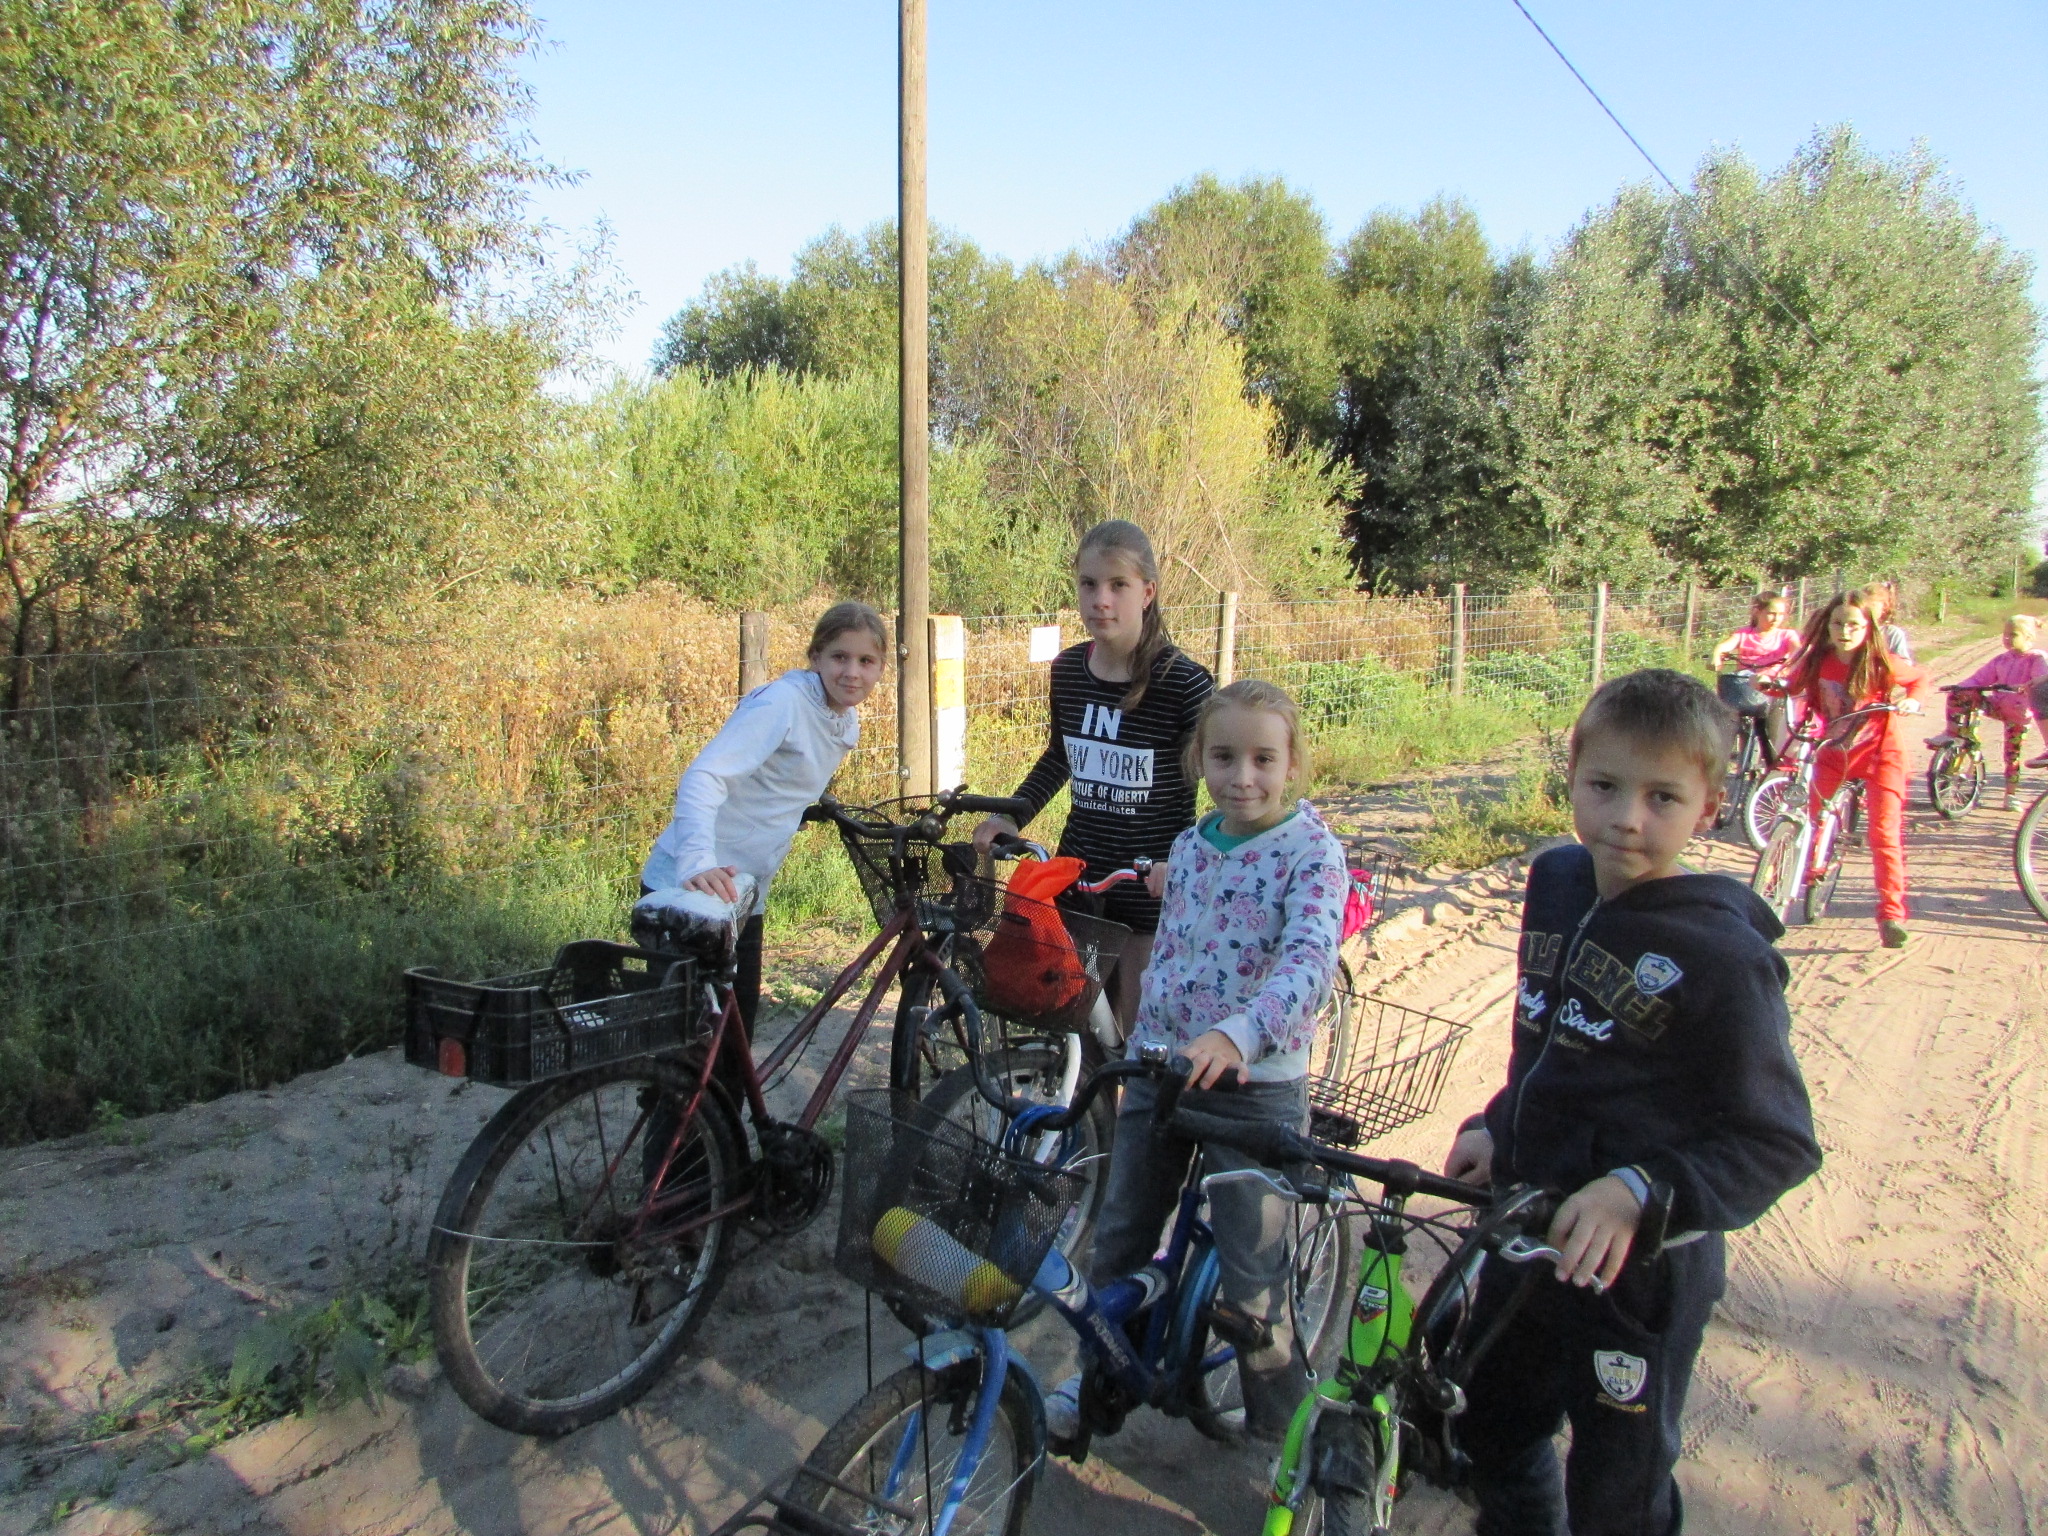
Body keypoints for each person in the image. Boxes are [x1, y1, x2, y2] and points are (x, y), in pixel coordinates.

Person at [1444, 668, 1822, 1536]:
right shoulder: (1557, 881)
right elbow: (1552, 1043)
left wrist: (1639, 1191)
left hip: (1637, 1275)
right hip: (1528, 1231)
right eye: (1605, 786)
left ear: (1711, 806)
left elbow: (1776, 1140)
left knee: (1618, 1489)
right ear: (1572, 773)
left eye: (1662, 798)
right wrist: (1498, 1124)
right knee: (1490, 1424)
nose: (1626, 819)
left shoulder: (1724, 958)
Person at [1042, 678, 1348, 1445]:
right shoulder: (1190, 844)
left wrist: (1240, 1035)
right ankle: (1100, 1375)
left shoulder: (1311, 853)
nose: (1242, 777)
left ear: (1292, 764)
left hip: (1253, 1087)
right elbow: (1179, 952)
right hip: (1164, 1072)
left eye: (1263, 759)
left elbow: (1309, 962)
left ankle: (1285, 1441)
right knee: (1119, 1239)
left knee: (1253, 1289)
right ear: (1199, 761)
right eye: (1224, 757)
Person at [973, 520, 1214, 1031]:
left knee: (1138, 1038)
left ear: (1147, 592)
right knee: (1070, 1031)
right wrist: (1010, 817)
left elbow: (1220, 785)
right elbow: (1060, 756)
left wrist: (1193, 860)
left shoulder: (1184, 684)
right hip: (1078, 878)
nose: (1101, 600)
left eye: (1118, 585)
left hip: (1150, 889)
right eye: (1089, 583)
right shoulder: (1067, 670)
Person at [639, 601, 888, 1039]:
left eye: (866, 661)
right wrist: (696, 861)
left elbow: (779, 778)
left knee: (735, 1036)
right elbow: (706, 775)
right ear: (815, 657)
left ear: (882, 667)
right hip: (690, 887)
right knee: (684, 1046)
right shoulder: (782, 703)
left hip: (743, 894)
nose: (852, 672)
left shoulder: (844, 721)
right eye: (839, 657)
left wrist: (796, 811)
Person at [1785, 592, 1931, 949]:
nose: (1845, 631)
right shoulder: (1818, 661)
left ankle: (1891, 914)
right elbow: (1790, 686)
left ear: (1869, 628)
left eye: (1854, 624)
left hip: (1881, 757)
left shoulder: (1881, 663)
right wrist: (1767, 685)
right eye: (1838, 623)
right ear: (1827, 626)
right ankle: (1812, 874)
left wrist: (1912, 700)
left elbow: (1918, 680)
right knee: (1814, 820)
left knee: (1883, 834)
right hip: (1833, 753)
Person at [1926, 614, 2048, 809]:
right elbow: (1979, 679)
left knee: (2012, 754)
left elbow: (2040, 680)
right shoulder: (2001, 659)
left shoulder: (2037, 658)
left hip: (2018, 713)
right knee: (1961, 696)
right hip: (1997, 705)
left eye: (2013, 635)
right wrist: (1961, 687)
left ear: (2028, 637)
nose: (2007, 639)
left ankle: (2010, 794)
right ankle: (1955, 735)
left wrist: (2024, 686)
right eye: (2005, 634)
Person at [1709, 590, 1801, 760]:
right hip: (1745, 689)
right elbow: (1724, 647)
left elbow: (1798, 650)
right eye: (1771, 613)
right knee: (1727, 724)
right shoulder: (1744, 634)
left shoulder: (1786, 635)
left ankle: (1770, 767)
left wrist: (1793, 662)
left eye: (1781, 614)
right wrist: (1716, 656)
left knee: (1769, 739)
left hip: (1771, 689)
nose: (1776, 619)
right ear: (1757, 612)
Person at [1861, 580, 1913, 663]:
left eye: (1871, 605)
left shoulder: (1891, 633)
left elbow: (1904, 663)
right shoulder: (1855, 630)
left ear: (1884, 606)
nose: (1866, 609)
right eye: (1863, 606)